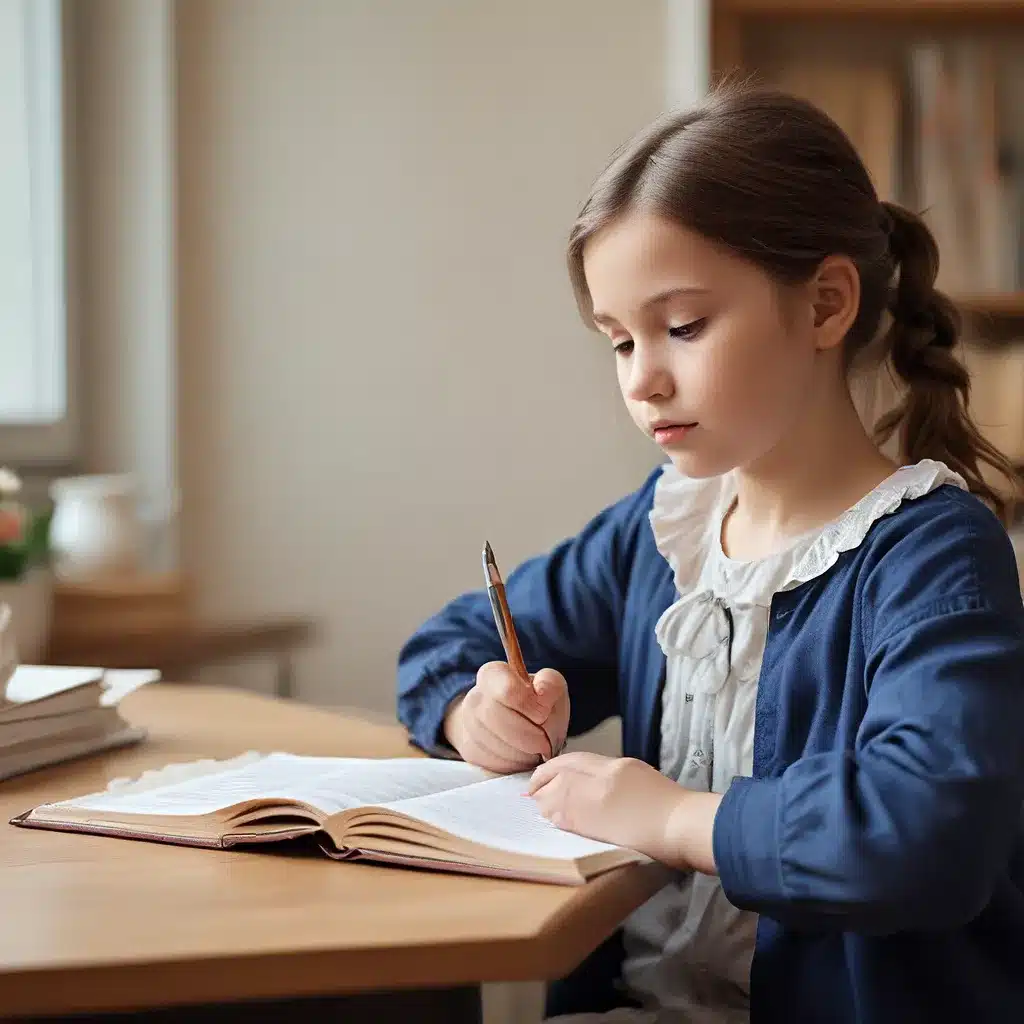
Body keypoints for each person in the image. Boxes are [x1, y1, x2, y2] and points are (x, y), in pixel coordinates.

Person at [396, 83, 1024, 1024]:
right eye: (618, 342)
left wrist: (676, 821)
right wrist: (474, 712)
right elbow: (443, 643)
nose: (643, 380)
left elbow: (926, 834)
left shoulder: (932, 556)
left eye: (682, 327)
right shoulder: (663, 530)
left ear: (824, 304)